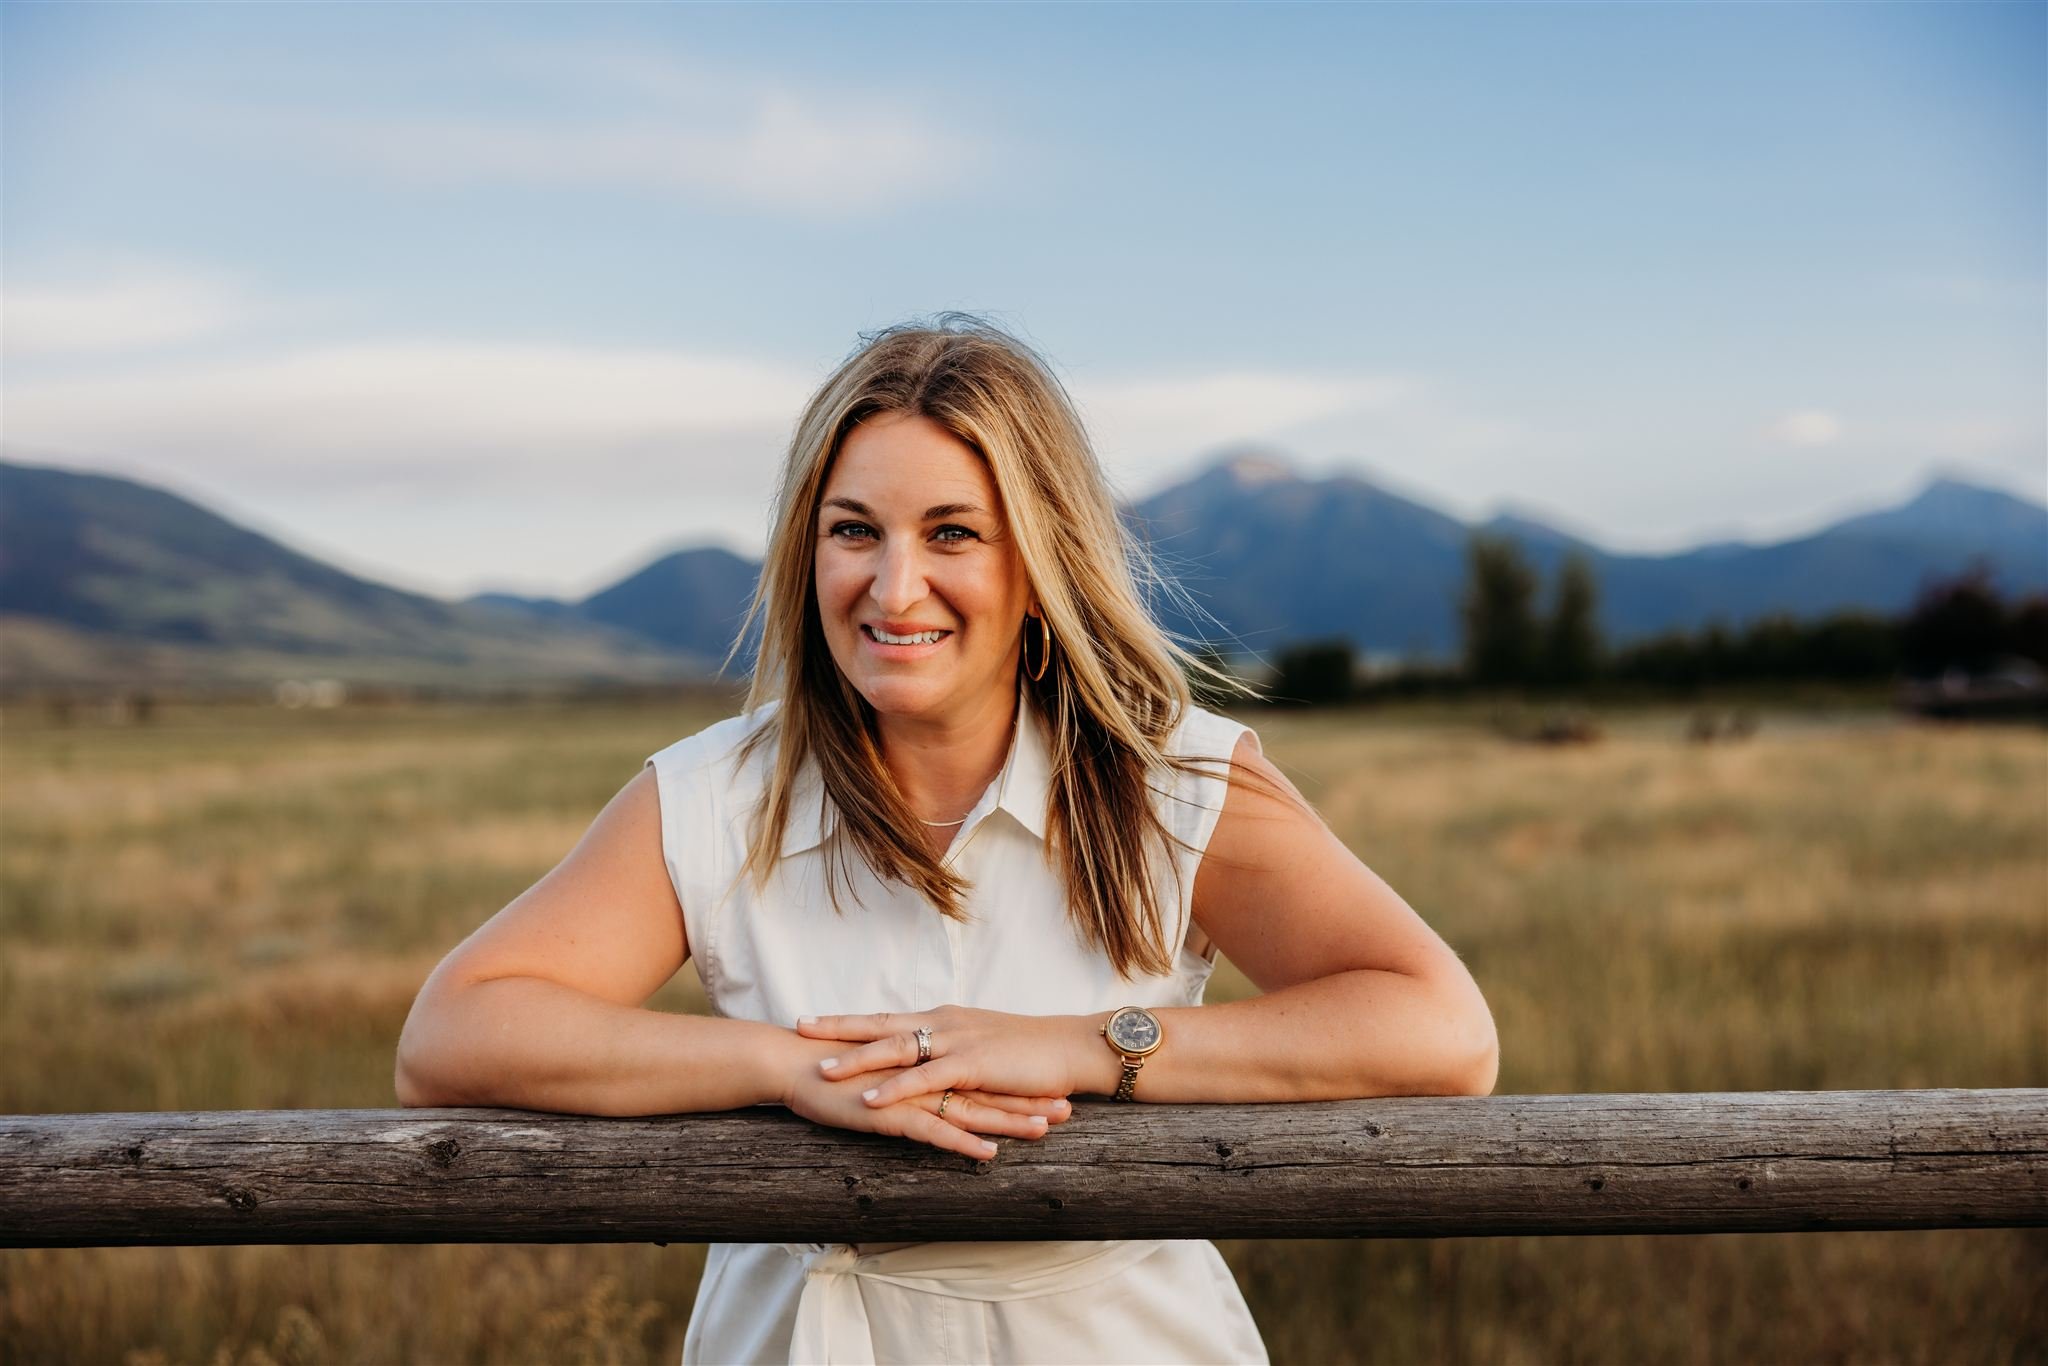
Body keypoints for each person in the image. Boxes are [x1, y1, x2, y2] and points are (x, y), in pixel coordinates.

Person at [395, 314, 1499, 1364]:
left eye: (952, 533)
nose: (893, 584)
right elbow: (454, 1031)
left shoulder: (1168, 777)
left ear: (1038, 560)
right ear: (806, 550)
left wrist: (1086, 1043)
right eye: (853, 531)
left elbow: (1441, 1031)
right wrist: (784, 1068)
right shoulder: (715, 794)